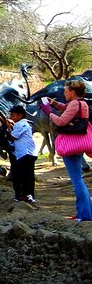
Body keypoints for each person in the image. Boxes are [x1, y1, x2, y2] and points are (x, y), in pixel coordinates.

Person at [48, 79, 92, 221]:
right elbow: (68, 109)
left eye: (66, 91)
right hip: (80, 143)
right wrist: (55, 104)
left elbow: (61, 121)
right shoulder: (82, 103)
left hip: (70, 145)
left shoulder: (73, 103)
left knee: (76, 179)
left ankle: (84, 215)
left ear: (72, 92)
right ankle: (85, 212)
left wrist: (49, 112)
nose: (64, 93)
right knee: (79, 179)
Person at [6, 105, 37, 203]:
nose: (12, 118)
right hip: (27, 154)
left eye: (13, 115)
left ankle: (25, 195)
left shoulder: (21, 124)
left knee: (23, 175)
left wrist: (8, 127)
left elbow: (13, 137)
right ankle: (27, 195)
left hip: (25, 154)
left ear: (20, 115)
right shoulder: (22, 124)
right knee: (27, 175)